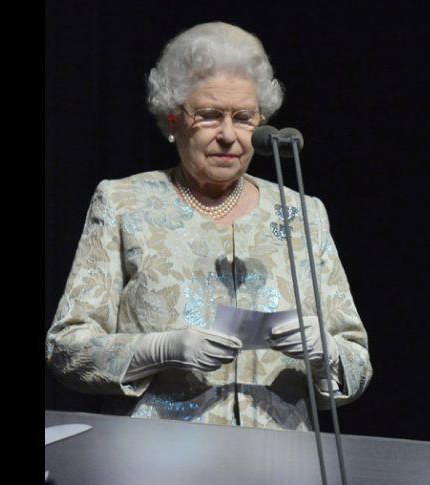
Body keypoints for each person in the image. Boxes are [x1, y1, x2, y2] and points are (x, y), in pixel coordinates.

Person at [45, 21, 372, 430]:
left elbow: (357, 363)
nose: (229, 136)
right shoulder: (123, 203)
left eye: (244, 118)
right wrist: (160, 349)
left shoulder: (302, 212)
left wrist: (328, 353)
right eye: (210, 116)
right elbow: (66, 349)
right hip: (155, 459)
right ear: (173, 120)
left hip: (281, 463)